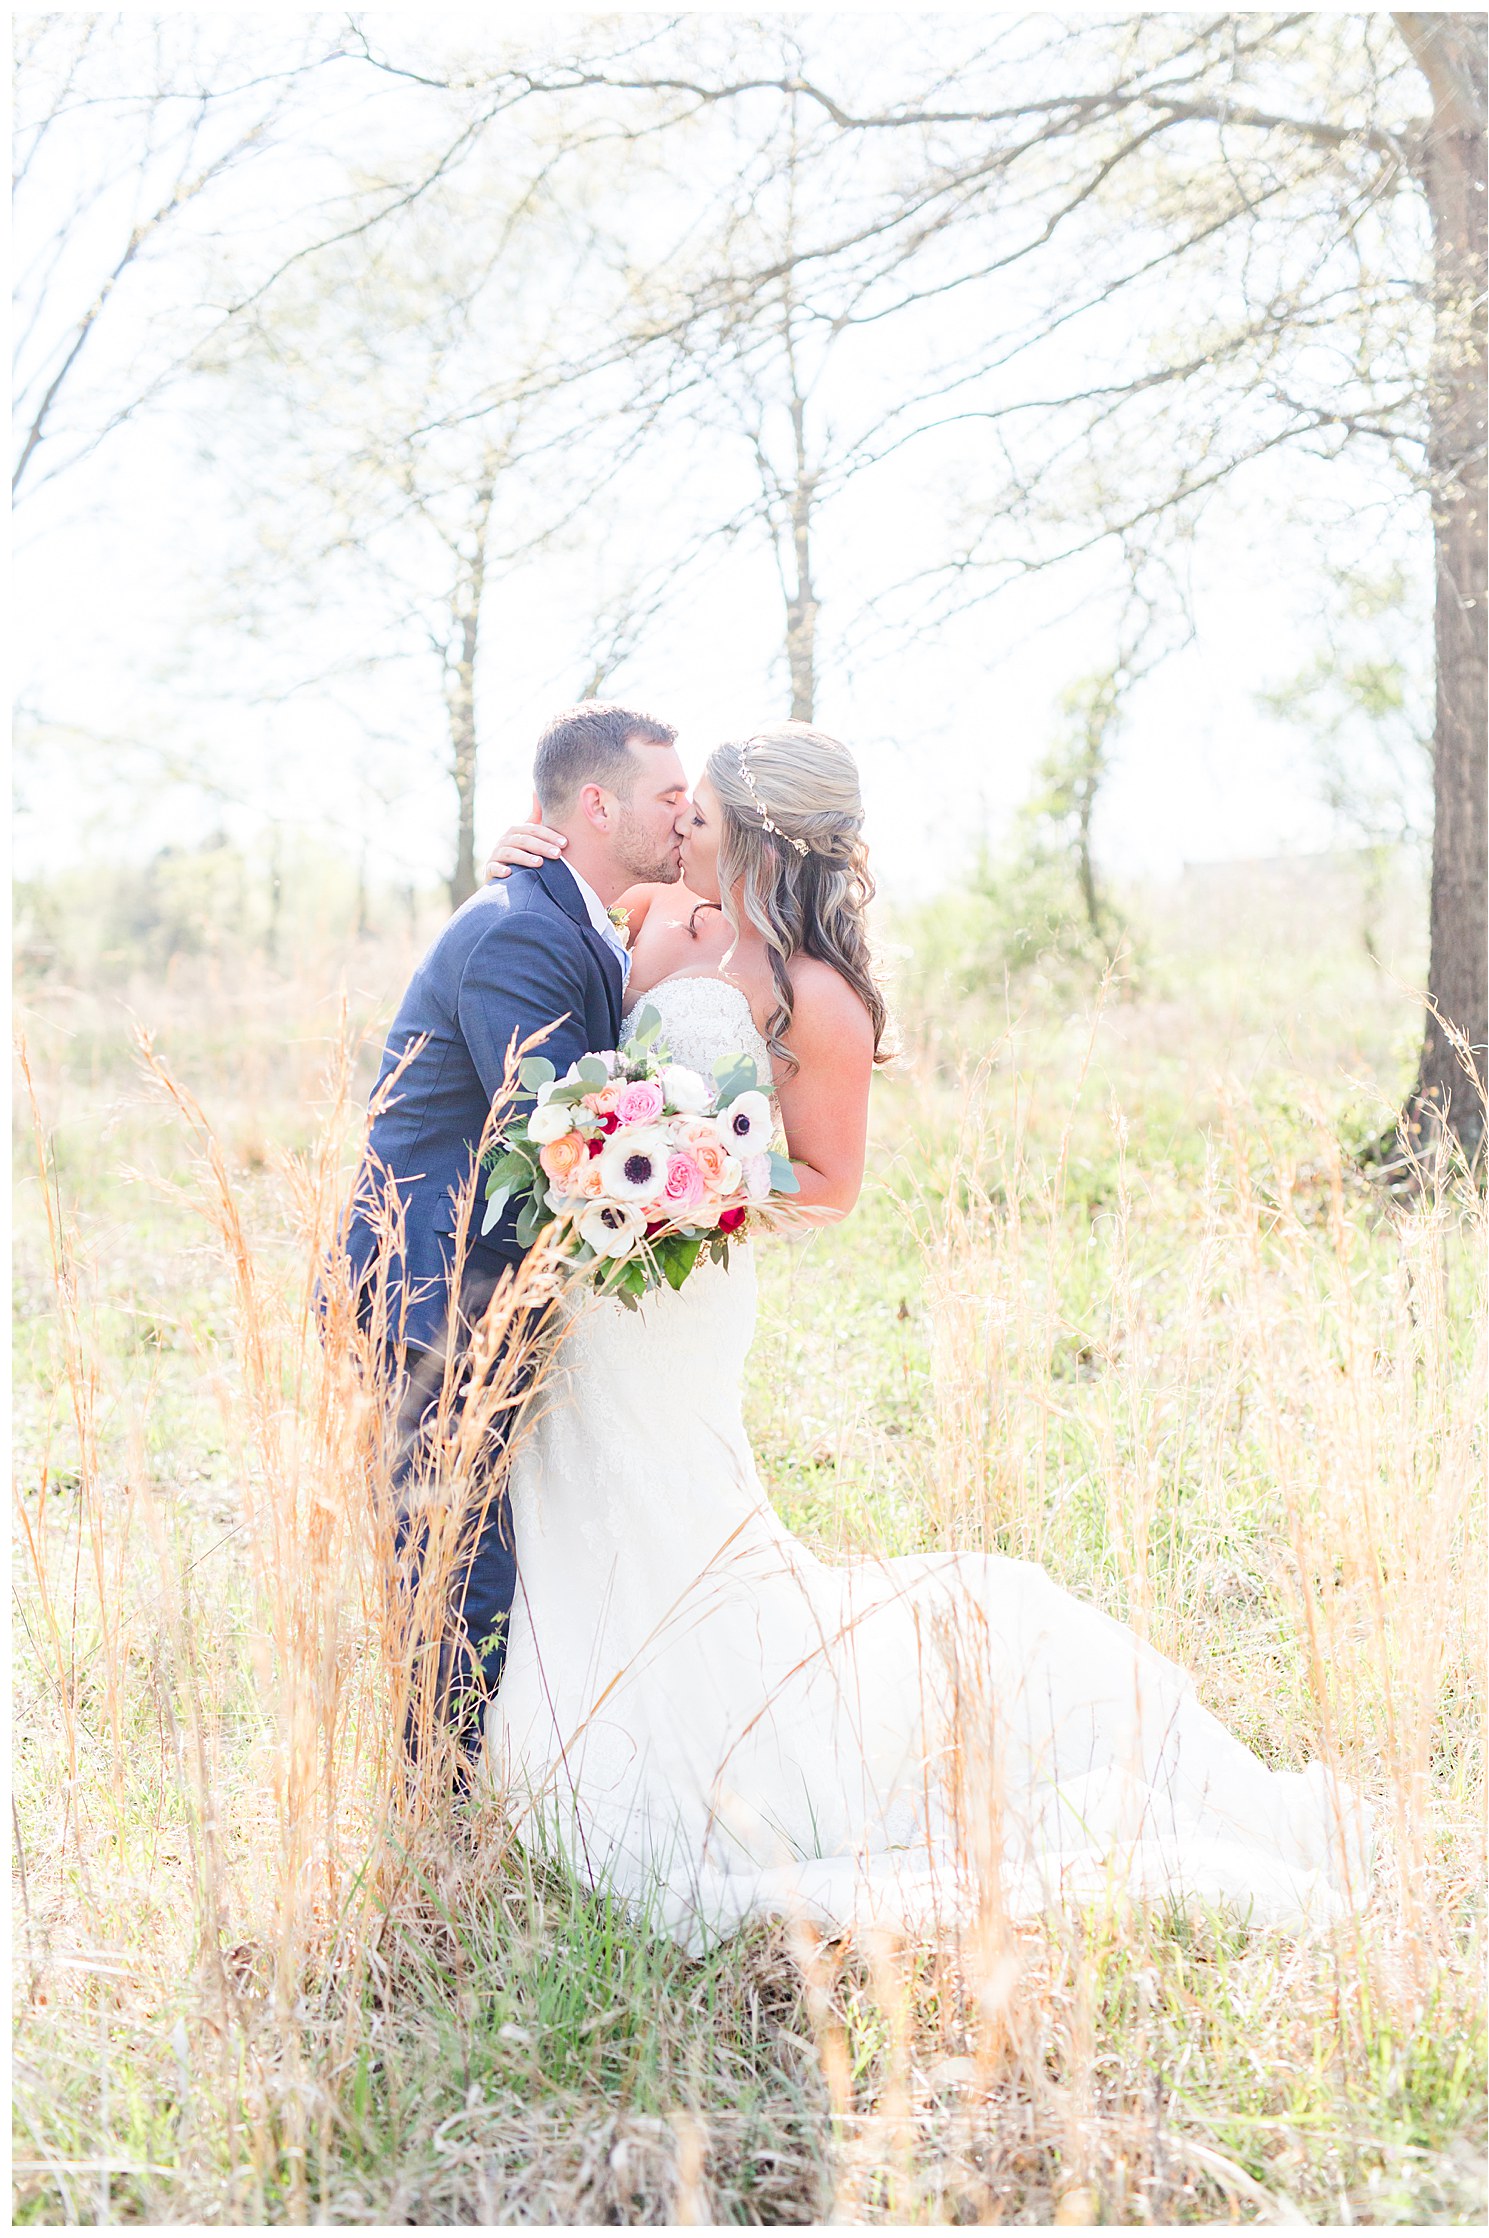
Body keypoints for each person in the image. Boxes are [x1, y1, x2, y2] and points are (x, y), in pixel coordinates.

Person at [479, 722, 1369, 1950]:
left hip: (688, 1277)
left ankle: (735, 1773)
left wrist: (689, 1186)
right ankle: (577, 1740)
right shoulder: (656, 922)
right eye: (672, 812)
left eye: (699, 815)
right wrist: (525, 858)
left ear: (752, 832)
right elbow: (570, 938)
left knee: (673, 1504)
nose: (677, 826)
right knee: (580, 1494)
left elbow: (831, 1183)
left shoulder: (817, 994)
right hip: (596, 1277)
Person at [341, 702, 690, 1776]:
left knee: (471, 1545)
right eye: (671, 799)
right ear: (597, 805)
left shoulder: (571, 913)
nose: (689, 819)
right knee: (450, 1557)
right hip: (436, 1286)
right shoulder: (523, 929)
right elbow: (561, 1132)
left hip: (485, 1286)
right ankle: (437, 1818)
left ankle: (472, 1791)